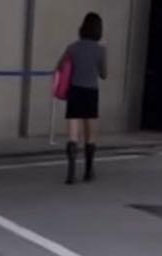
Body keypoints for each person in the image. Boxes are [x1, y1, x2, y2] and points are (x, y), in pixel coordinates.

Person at [56, 12, 107, 183]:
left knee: (73, 134)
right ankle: (88, 170)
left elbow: (60, 66)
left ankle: (71, 173)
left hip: (75, 91)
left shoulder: (72, 47)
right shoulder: (100, 50)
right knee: (90, 133)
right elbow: (104, 74)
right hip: (91, 92)